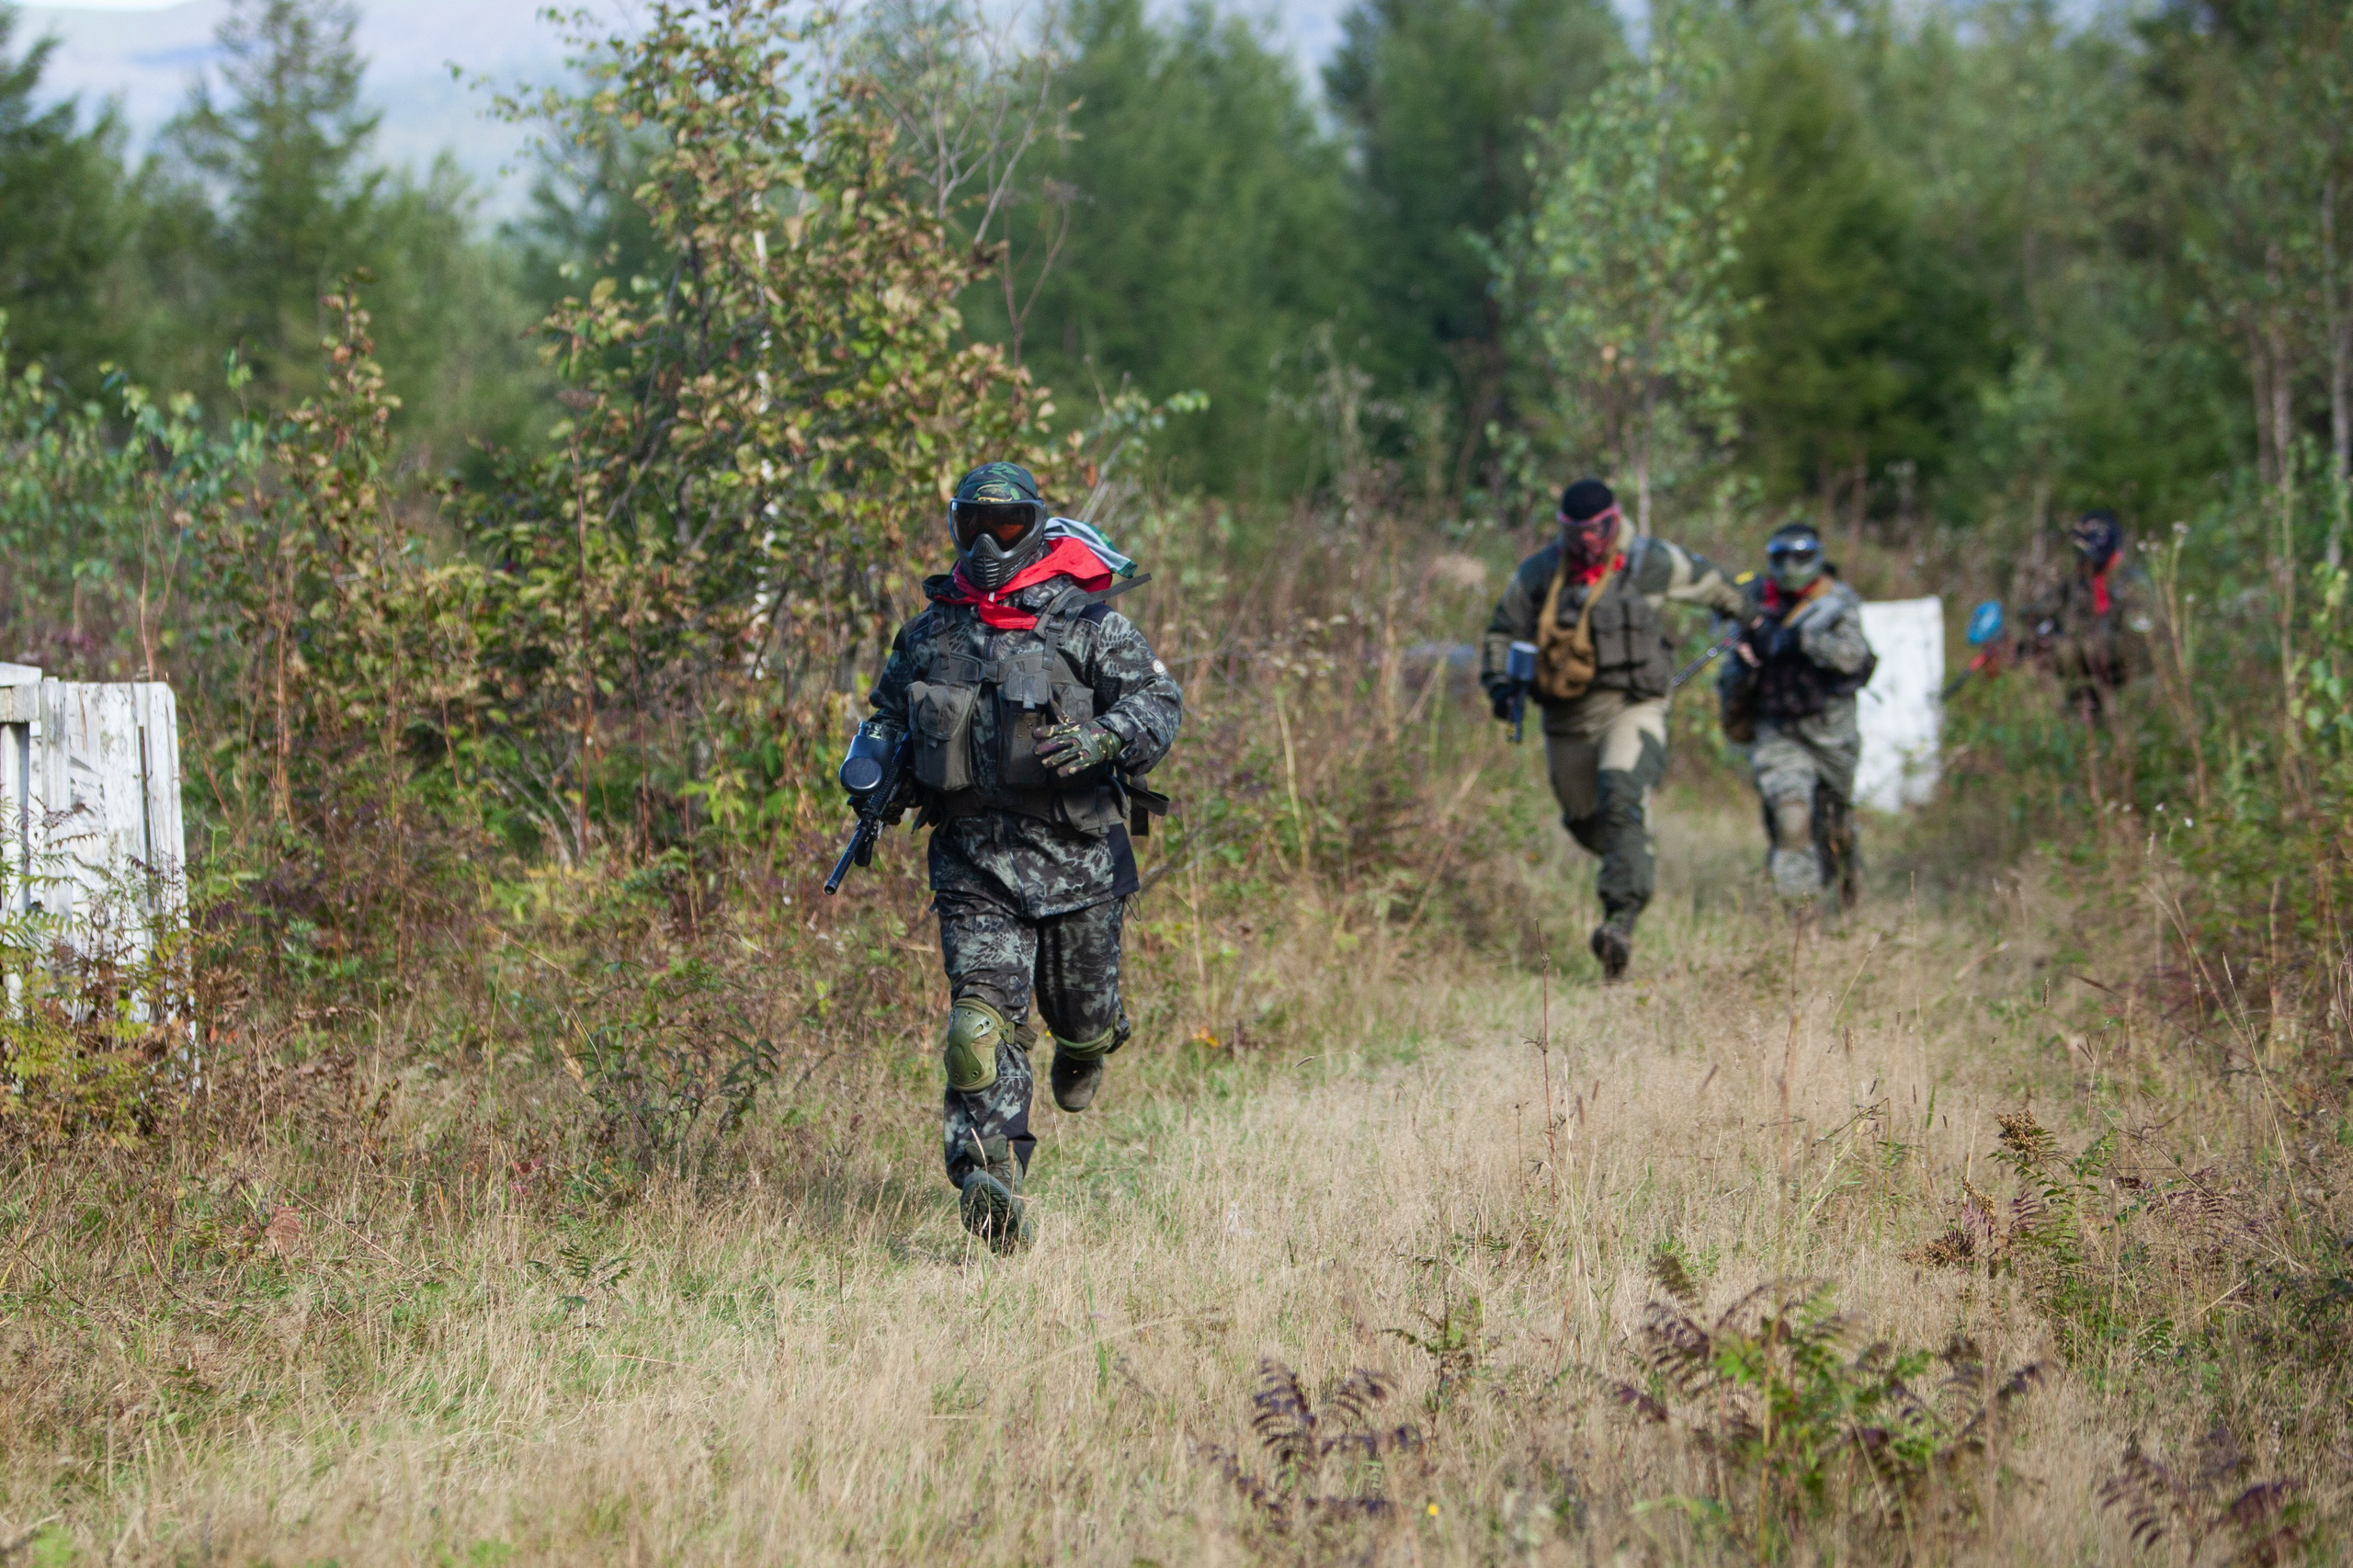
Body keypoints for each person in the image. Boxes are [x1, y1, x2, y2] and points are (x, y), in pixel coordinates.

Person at [846, 461, 1182, 1253]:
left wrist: (1104, 735)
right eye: (973, 527)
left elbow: (1159, 704)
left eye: (1006, 527)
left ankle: (1091, 1039)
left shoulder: (1086, 623)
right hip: (973, 865)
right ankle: (990, 1172)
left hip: (1080, 865)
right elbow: (888, 715)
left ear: (1033, 524)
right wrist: (872, 773)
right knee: (977, 1025)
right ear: (955, 527)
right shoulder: (933, 630)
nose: (988, 545)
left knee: (1080, 1016)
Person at [1480, 478, 1750, 981]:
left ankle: (1618, 924)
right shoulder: (1541, 572)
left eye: (1598, 529)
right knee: (1586, 822)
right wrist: (1499, 684)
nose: (1587, 540)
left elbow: (1720, 586)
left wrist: (1750, 623)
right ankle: (1633, 862)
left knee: (1622, 796)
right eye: (1575, 530)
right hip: (1566, 718)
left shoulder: (1650, 561)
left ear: (1615, 521)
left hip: (1634, 706)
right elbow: (1503, 630)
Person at [1718, 521, 1876, 913]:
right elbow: (1729, 668)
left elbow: (1854, 657)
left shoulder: (1836, 602)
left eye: (1801, 557)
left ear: (1817, 558)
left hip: (1830, 733)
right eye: (1782, 557)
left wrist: (1800, 640)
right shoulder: (1753, 602)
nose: (1791, 566)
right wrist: (1746, 658)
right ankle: (1800, 921)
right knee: (1791, 820)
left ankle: (1846, 888)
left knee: (1835, 827)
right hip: (1777, 731)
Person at [2025, 509, 2151, 722]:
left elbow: (2127, 651)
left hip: (2131, 693)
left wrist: (2061, 648)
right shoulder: (2081, 583)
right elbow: (2039, 611)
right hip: (2090, 691)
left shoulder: (2133, 587)